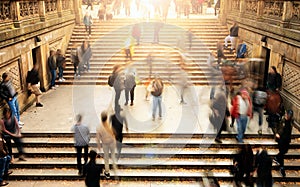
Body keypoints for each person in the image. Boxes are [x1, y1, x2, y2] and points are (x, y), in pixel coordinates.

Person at [96, 111, 117, 179]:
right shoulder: (109, 125)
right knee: (113, 155)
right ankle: (115, 168)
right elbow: (113, 133)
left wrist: (99, 146)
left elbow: (98, 138)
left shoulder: (99, 127)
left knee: (106, 158)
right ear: (106, 118)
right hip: (112, 142)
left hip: (105, 143)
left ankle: (107, 172)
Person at [273, 110, 293, 177]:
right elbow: (277, 127)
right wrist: (277, 134)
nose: (288, 116)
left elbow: (289, 131)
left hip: (286, 140)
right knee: (282, 153)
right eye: (288, 115)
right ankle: (282, 168)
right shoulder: (282, 121)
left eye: (289, 116)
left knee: (284, 152)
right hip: (281, 139)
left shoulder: (290, 122)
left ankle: (276, 158)